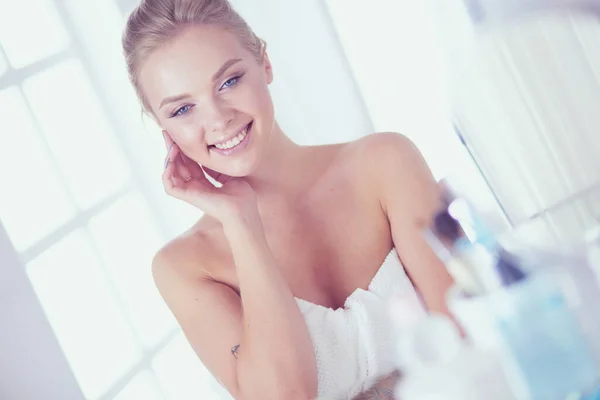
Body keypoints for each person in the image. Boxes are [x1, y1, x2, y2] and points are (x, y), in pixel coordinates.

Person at [122, 0, 454, 399]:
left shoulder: (386, 163)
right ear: (162, 127)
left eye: (228, 82)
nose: (218, 119)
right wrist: (241, 223)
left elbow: (472, 334)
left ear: (264, 63)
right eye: (183, 109)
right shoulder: (183, 267)